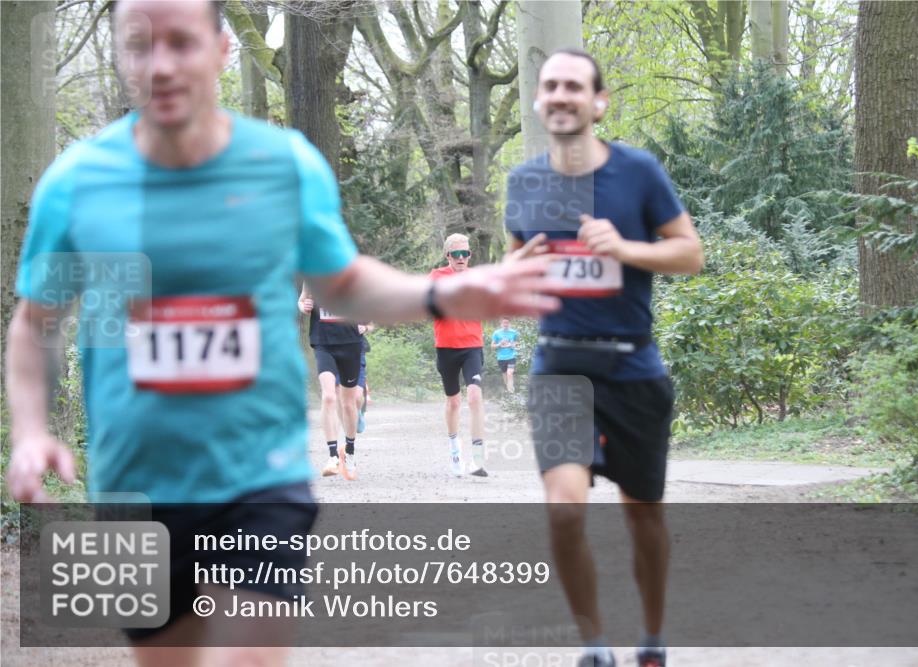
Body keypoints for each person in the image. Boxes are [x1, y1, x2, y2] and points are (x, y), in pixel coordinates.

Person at [3, 1, 557, 664]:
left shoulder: (282, 166)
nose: (162, 64)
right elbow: (35, 324)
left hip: (258, 472)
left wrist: (443, 293)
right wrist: (31, 432)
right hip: (134, 481)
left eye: (182, 42)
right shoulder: (77, 182)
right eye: (140, 44)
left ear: (222, 49)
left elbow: (342, 283)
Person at [504, 48, 704, 667]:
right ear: (539, 100)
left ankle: (652, 636)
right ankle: (594, 645)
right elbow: (514, 270)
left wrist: (624, 248)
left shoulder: (637, 171)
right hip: (559, 365)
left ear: (599, 102)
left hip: (632, 365)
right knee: (564, 510)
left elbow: (690, 253)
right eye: (550, 86)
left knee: (643, 515)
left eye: (573, 85)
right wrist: (514, 271)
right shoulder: (524, 181)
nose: (560, 95)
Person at [431, 234, 489, 478]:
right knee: (453, 402)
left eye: (466, 253)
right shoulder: (437, 277)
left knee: (474, 397)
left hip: (472, 346)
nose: (462, 257)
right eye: (457, 254)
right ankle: (455, 449)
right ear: (448, 256)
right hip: (446, 347)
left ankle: (477, 459)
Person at [297, 285, 363, 480]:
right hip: (323, 342)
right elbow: (302, 300)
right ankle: (333, 456)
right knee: (328, 396)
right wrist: (304, 306)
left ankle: (349, 452)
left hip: (350, 342)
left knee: (348, 404)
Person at [491, 318, 520, 392]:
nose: (505, 324)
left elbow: (517, 342)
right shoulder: (496, 333)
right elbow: (492, 346)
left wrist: (512, 345)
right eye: (504, 323)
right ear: (501, 324)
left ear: (510, 324)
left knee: (509, 373)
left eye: (507, 323)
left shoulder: (513, 332)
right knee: (504, 374)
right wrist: (499, 344)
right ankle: (508, 388)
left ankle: (511, 389)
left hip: (511, 356)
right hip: (501, 358)